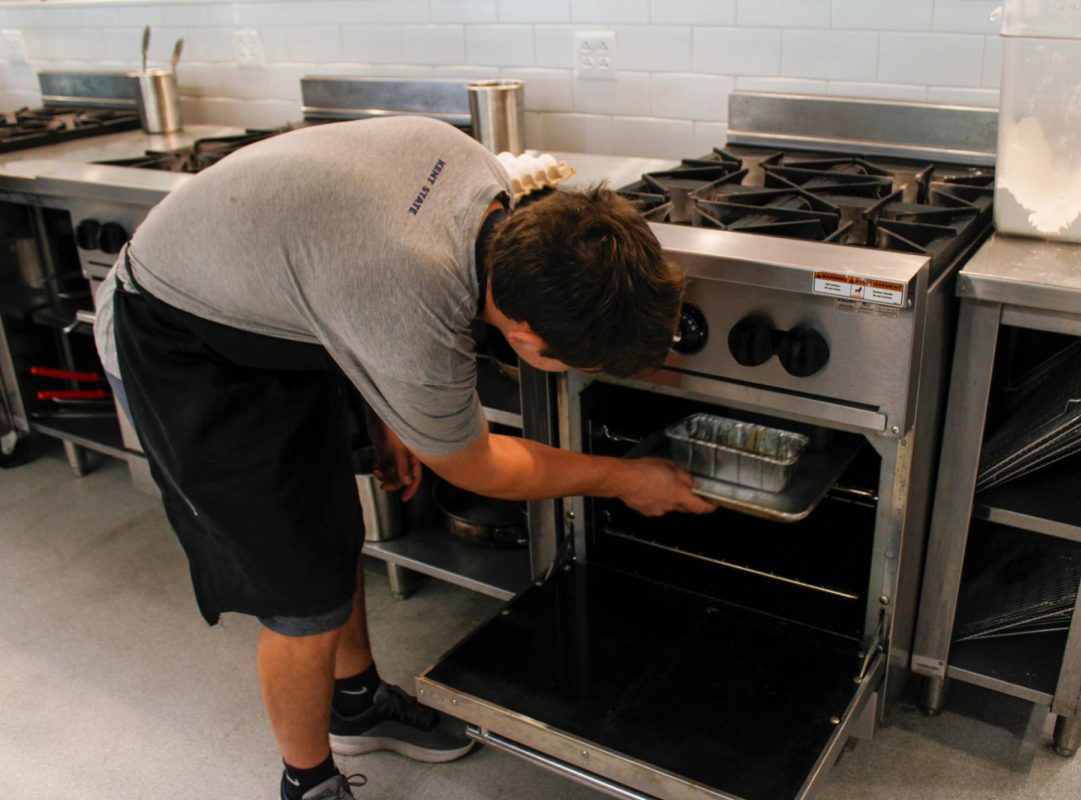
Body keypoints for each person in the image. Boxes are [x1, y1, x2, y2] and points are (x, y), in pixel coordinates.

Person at [92, 115, 714, 800]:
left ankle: (356, 703)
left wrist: (398, 408)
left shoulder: (480, 179)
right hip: (179, 332)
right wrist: (623, 477)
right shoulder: (412, 292)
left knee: (331, 526)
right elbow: (475, 464)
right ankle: (307, 782)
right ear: (531, 339)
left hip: (272, 297)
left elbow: (353, 287)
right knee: (300, 592)